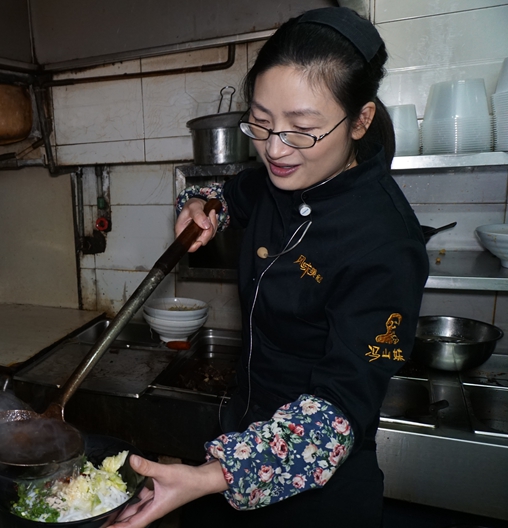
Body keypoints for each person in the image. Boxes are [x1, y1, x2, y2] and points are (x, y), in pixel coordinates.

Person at [112, 7, 428, 528]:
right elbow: (226, 193)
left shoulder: (386, 243)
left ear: (361, 119)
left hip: (319, 496)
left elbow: (336, 415)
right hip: (239, 436)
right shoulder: (276, 178)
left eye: (301, 129)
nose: (275, 150)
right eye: (260, 123)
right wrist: (200, 205)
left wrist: (212, 476)